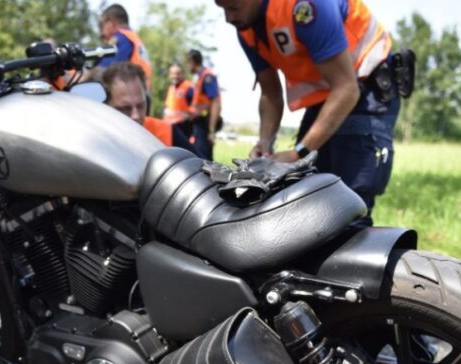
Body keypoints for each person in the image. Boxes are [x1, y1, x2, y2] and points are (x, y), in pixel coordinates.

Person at [215, 0, 400, 225]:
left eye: (234, 6)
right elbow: (271, 94)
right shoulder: (247, 29)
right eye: (222, 8)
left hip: (365, 89)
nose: (228, 18)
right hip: (328, 98)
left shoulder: (306, 6)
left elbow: (346, 89)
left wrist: (298, 153)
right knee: (308, 194)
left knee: (350, 201)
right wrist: (265, 142)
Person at [99, 62, 198, 155]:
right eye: (125, 108)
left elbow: (211, 171)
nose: (136, 115)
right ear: (106, 107)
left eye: (141, 106)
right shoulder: (96, 141)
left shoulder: (165, 132)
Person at [96, 4, 153, 88]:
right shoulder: (134, 39)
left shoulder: (122, 38)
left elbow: (102, 72)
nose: (102, 35)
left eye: (101, 26)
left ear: (110, 23)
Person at [185, 49, 222, 161]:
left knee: (202, 159)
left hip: (204, 125)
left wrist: (211, 130)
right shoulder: (199, 78)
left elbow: (215, 102)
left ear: (192, 61)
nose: (187, 67)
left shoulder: (207, 77)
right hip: (199, 123)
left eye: (187, 63)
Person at [163, 64, 195, 139]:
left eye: (177, 74)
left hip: (183, 128)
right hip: (169, 127)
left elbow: (196, 107)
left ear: (182, 74)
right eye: (172, 74)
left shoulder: (188, 87)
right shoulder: (171, 88)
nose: (175, 76)